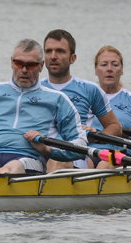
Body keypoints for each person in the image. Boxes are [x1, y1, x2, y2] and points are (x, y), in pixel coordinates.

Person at [0, 39, 86, 174]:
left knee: (11, 170)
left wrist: (46, 149)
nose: (24, 70)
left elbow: (80, 144)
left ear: (41, 66)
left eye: (30, 65)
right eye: (19, 63)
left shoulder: (57, 99)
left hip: (29, 159)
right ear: (11, 62)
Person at [39, 29, 122, 171]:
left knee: (56, 161)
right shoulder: (33, 89)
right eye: (48, 51)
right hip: (38, 151)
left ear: (73, 58)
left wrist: (96, 137)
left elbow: (115, 127)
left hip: (71, 154)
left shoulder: (90, 89)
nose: (53, 56)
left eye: (60, 51)